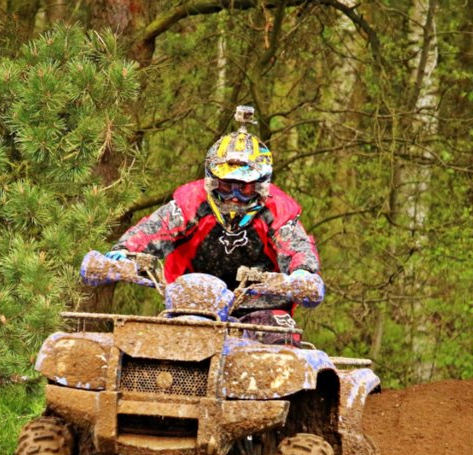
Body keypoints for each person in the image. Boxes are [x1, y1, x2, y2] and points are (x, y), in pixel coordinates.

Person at [101, 105, 324, 333]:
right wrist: (124, 253)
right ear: (212, 180)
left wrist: (303, 274)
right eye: (226, 186)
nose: (234, 197)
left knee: (278, 349)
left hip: (263, 306)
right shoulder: (192, 202)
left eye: (244, 189)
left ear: (261, 186)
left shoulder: (277, 210)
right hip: (194, 303)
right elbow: (157, 228)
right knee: (161, 342)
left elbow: (297, 247)